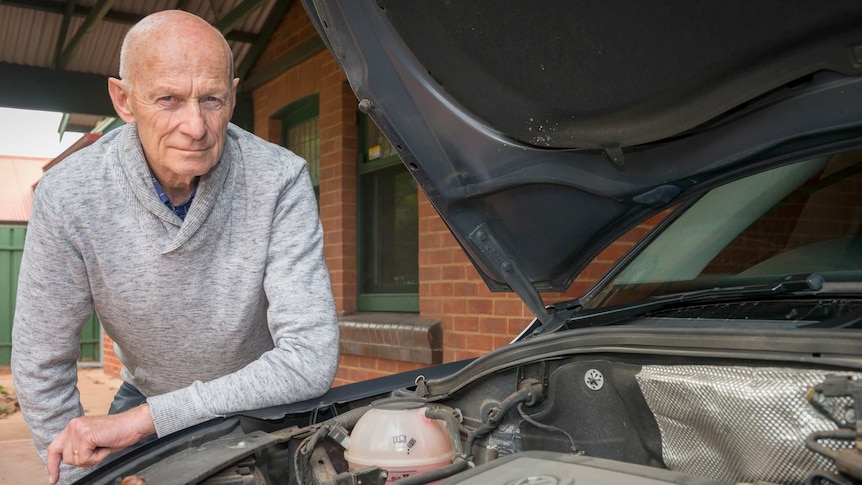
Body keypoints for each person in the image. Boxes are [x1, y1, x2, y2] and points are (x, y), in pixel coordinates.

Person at [11, 10, 339, 485]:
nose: (196, 126)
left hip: (264, 404)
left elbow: (308, 358)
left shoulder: (279, 179)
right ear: (123, 100)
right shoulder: (69, 195)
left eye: (212, 99)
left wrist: (146, 420)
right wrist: (76, 475)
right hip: (146, 392)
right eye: (168, 99)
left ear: (232, 94)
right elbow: (41, 359)